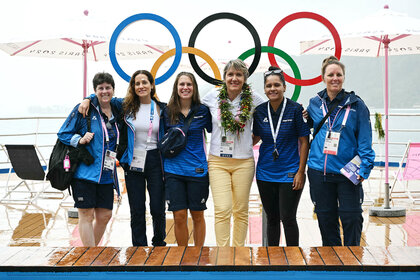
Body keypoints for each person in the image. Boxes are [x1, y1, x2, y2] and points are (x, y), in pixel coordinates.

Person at [79, 70, 166, 247]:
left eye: (144, 82)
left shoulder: (161, 108)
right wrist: (87, 98)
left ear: (151, 85)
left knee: (157, 206)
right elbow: (103, 95)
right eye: (137, 83)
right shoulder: (125, 106)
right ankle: (139, 246)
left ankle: (159, 243)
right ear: (133, 87)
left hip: (156, 160)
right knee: (137, 208)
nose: (141, 86)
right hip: (132, 160)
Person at [306, 56, 375, 246]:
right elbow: (308, 127)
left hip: (348, 172)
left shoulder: (357, 105)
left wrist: (365, 169)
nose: (334, 78)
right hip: (319, 172)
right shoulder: (314, 103)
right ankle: (332, 264)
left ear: (344, 77)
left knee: (351, 217)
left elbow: (365, 141)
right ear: (323, 77)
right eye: (330, 75)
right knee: (326, 220)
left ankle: (352, 261)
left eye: (339, 74)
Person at [202, 59, 264, 247]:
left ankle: (239, 253)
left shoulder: (254, 98)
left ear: (245, 78)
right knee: (222, 208)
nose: (234, 78)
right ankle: (223, 254)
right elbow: (191, 111)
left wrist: (247, 143)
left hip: (244, 162)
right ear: (224, 77)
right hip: (217, 162)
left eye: (239, 75)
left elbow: (269, 116)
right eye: (230, 74)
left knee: (240, 210)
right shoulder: (211, 96)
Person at [58, 72, 121, 247]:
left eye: (108, 87)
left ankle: (90, 252)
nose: (105, 91)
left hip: (106, 173)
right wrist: (79, 140)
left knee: (105, 215)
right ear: (95, 90)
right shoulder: (84, 109)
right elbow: (63, 133)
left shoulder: (116, 108)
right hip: (85, 173)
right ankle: (90, 256)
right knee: (86, 214)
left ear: (113, 89)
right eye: (100, 88)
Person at [252, 66, 310, 246]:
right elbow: (255, 137)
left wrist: (301, 172)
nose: (273, 89)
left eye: (277, 85)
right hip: (265, 173)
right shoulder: (260, 111)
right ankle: (272, 260)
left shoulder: (295, 109)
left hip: (290, 173)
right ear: (264, 89)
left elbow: (304, 141)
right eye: (269, 86)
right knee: (272, 218)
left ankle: (293, 261)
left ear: (284, 87)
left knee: (288, 218)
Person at [161, 72, 212, 247]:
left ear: (194, 88)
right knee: (179, 216)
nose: (185, 88)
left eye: (189, 84)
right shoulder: (167, 112)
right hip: (173, 171)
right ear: (176, 88)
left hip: (197, 171)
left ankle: (198, 255)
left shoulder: (203, 110)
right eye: (182, 84)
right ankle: (183, 256)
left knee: (198, 215)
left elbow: (219, 129)